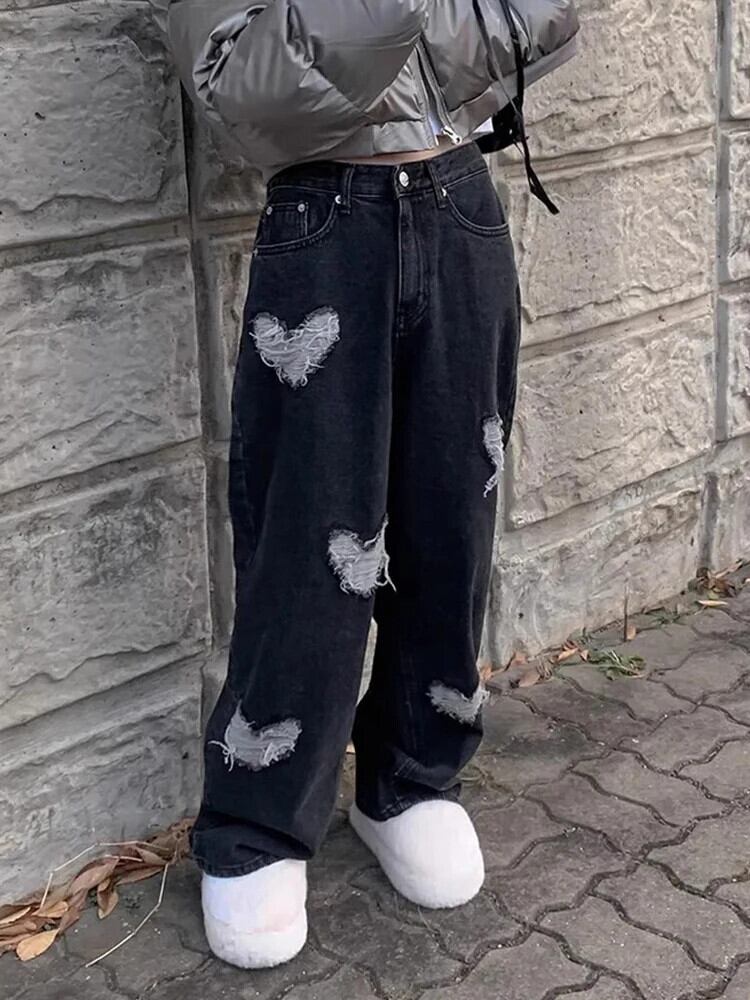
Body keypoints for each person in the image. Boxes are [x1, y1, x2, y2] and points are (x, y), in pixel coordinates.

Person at [150, 0, 579, 970]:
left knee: (453, 522)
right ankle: (259, 819)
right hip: (323, 222)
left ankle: (415, 774)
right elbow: (246, 94)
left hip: (462, 201)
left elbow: (534, 26)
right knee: (307, 536)